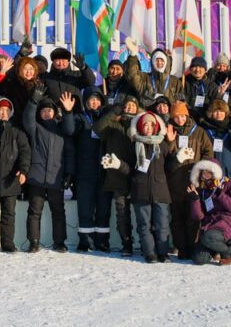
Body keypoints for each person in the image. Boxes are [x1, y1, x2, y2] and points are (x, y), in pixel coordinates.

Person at [103, 110, 174, 262]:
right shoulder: (134, 145)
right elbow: (129, 168)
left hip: (160, 191)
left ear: (156, 127)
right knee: (144, 225)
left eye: (151, 125)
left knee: (162, 224)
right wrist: (118, 164)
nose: (148, 127)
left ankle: (163, 253)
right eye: (145, 125)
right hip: (140, 191)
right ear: (141, 127)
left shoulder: (163, 145)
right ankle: (150, 253)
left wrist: (179, 158)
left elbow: (169, 166)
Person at [22, 85, 76, 253]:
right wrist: (33, 102)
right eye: (43, 111)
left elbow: (69, 147)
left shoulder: (62, 130)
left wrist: (68, 173)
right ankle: (34, 241)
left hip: (56, 176)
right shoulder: (35, 128)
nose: (46, 113)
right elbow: (27, 120)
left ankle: (59, 242)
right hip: (37, 176)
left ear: (54, 112)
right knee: (34, 210)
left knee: (58, 211)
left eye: (49, 111)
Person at [165, 100, 213, 259]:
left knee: (193, 216)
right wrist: (171, 141)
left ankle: (193, 245)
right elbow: (166, 155)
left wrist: (200, 168)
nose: (180, 119)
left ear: (187, 115)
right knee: (177, 217)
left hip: (194, 182)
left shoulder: (199, 132)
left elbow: (208, 152)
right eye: (176, 116)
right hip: (175, 181)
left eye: (182, 116)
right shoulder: (170, 131)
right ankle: (181, 247)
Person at [93, 95, 139, 256]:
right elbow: (98, 128)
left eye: (133, 106)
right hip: (117, 175)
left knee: (142, 213)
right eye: (126, 106)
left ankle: (147, 243)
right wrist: (115, 112)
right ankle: (126, 243)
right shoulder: (113, 126)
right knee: (122, 213)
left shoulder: (141, 125)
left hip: (138, 177)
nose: (129, 109)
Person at [0, 98, 30, 253]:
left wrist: (23, 170)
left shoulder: (17, 130)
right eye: (1, 110)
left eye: (7, 110)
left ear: (11, 112)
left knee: (8, 214)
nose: (4, 113)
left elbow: (25, 152)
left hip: (10, 178)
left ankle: (8, 243)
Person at [73, 89, 112, 252]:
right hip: (85, 171)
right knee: (85, 208)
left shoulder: (107, 118)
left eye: (97, 100)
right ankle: (85, 240)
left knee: (103, 209)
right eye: (90, 100)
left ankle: (102, 241)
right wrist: (69, 112)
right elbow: (70, 130)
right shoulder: (80, 117)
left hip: (104, 171)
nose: (94, 103)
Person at [188, 159, 231, 266]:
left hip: (227, 223)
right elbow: (198, 216)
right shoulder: (202, 190)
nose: (205, 175)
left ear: (214, 173)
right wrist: (195, 199)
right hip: (209, 225)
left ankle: (227, 252)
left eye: (208, 172)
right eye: (203, 172)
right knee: (198, 259)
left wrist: (221, 196)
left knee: (208, 238)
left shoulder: (226, 184)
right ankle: (215, 249)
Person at [123, 38, 183, 105]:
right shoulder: (145, 78)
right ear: (152, 62)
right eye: (157, 60)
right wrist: (132, 56)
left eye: (162, 60)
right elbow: (132, 75)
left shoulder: (175, 81)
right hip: (148, 113)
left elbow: (180, 103)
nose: (159, 63)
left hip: (169, 114)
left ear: (166, 62)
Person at [0, 54, 42, 128]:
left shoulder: (40, 85)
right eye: (25, 68)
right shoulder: (13, 83)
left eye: (31, 68)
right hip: (17, 124)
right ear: (20, 70)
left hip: (36, 124)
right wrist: (2, 72)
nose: (28, 71)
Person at [182, 56, 210, 123]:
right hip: (186, 118)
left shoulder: (211, 85)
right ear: (190, 69)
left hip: (204, 120)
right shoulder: (183, 82)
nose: (197, 69)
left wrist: (220, 94)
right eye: (194, 67)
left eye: (200, 67)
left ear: (205, 70)